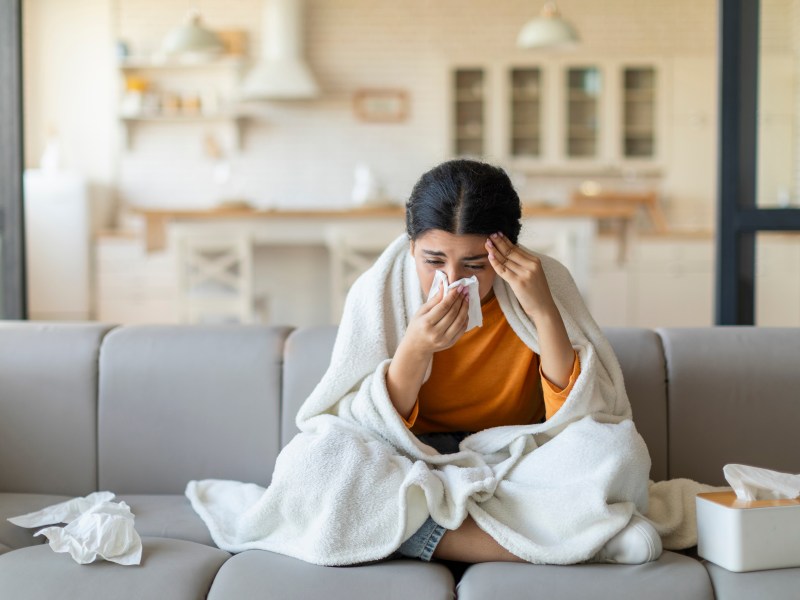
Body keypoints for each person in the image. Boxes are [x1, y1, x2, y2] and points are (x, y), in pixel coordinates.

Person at [387, 158, 656, 563]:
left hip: (516, 459)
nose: (453, 279)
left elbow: (577, 418)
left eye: (476, 265)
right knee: (320, 462)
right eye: (434, 261)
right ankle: (587, 541)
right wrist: (415, 348)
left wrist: (544, 311)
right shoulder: (385, 287)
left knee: (620, 451)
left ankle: (418, 533)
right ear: (411, 247)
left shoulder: (541, 281)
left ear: (506, 250)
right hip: (413, 458)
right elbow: (370, 422)